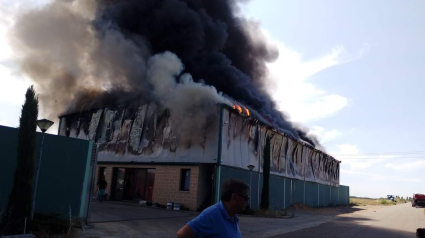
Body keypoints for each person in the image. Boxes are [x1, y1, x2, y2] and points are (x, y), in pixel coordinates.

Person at [177, 179, 249, 238]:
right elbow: (182, 234)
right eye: (246, 198)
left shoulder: (232, 217)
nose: (247, 202)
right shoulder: (212, 214)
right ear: (234, 197)